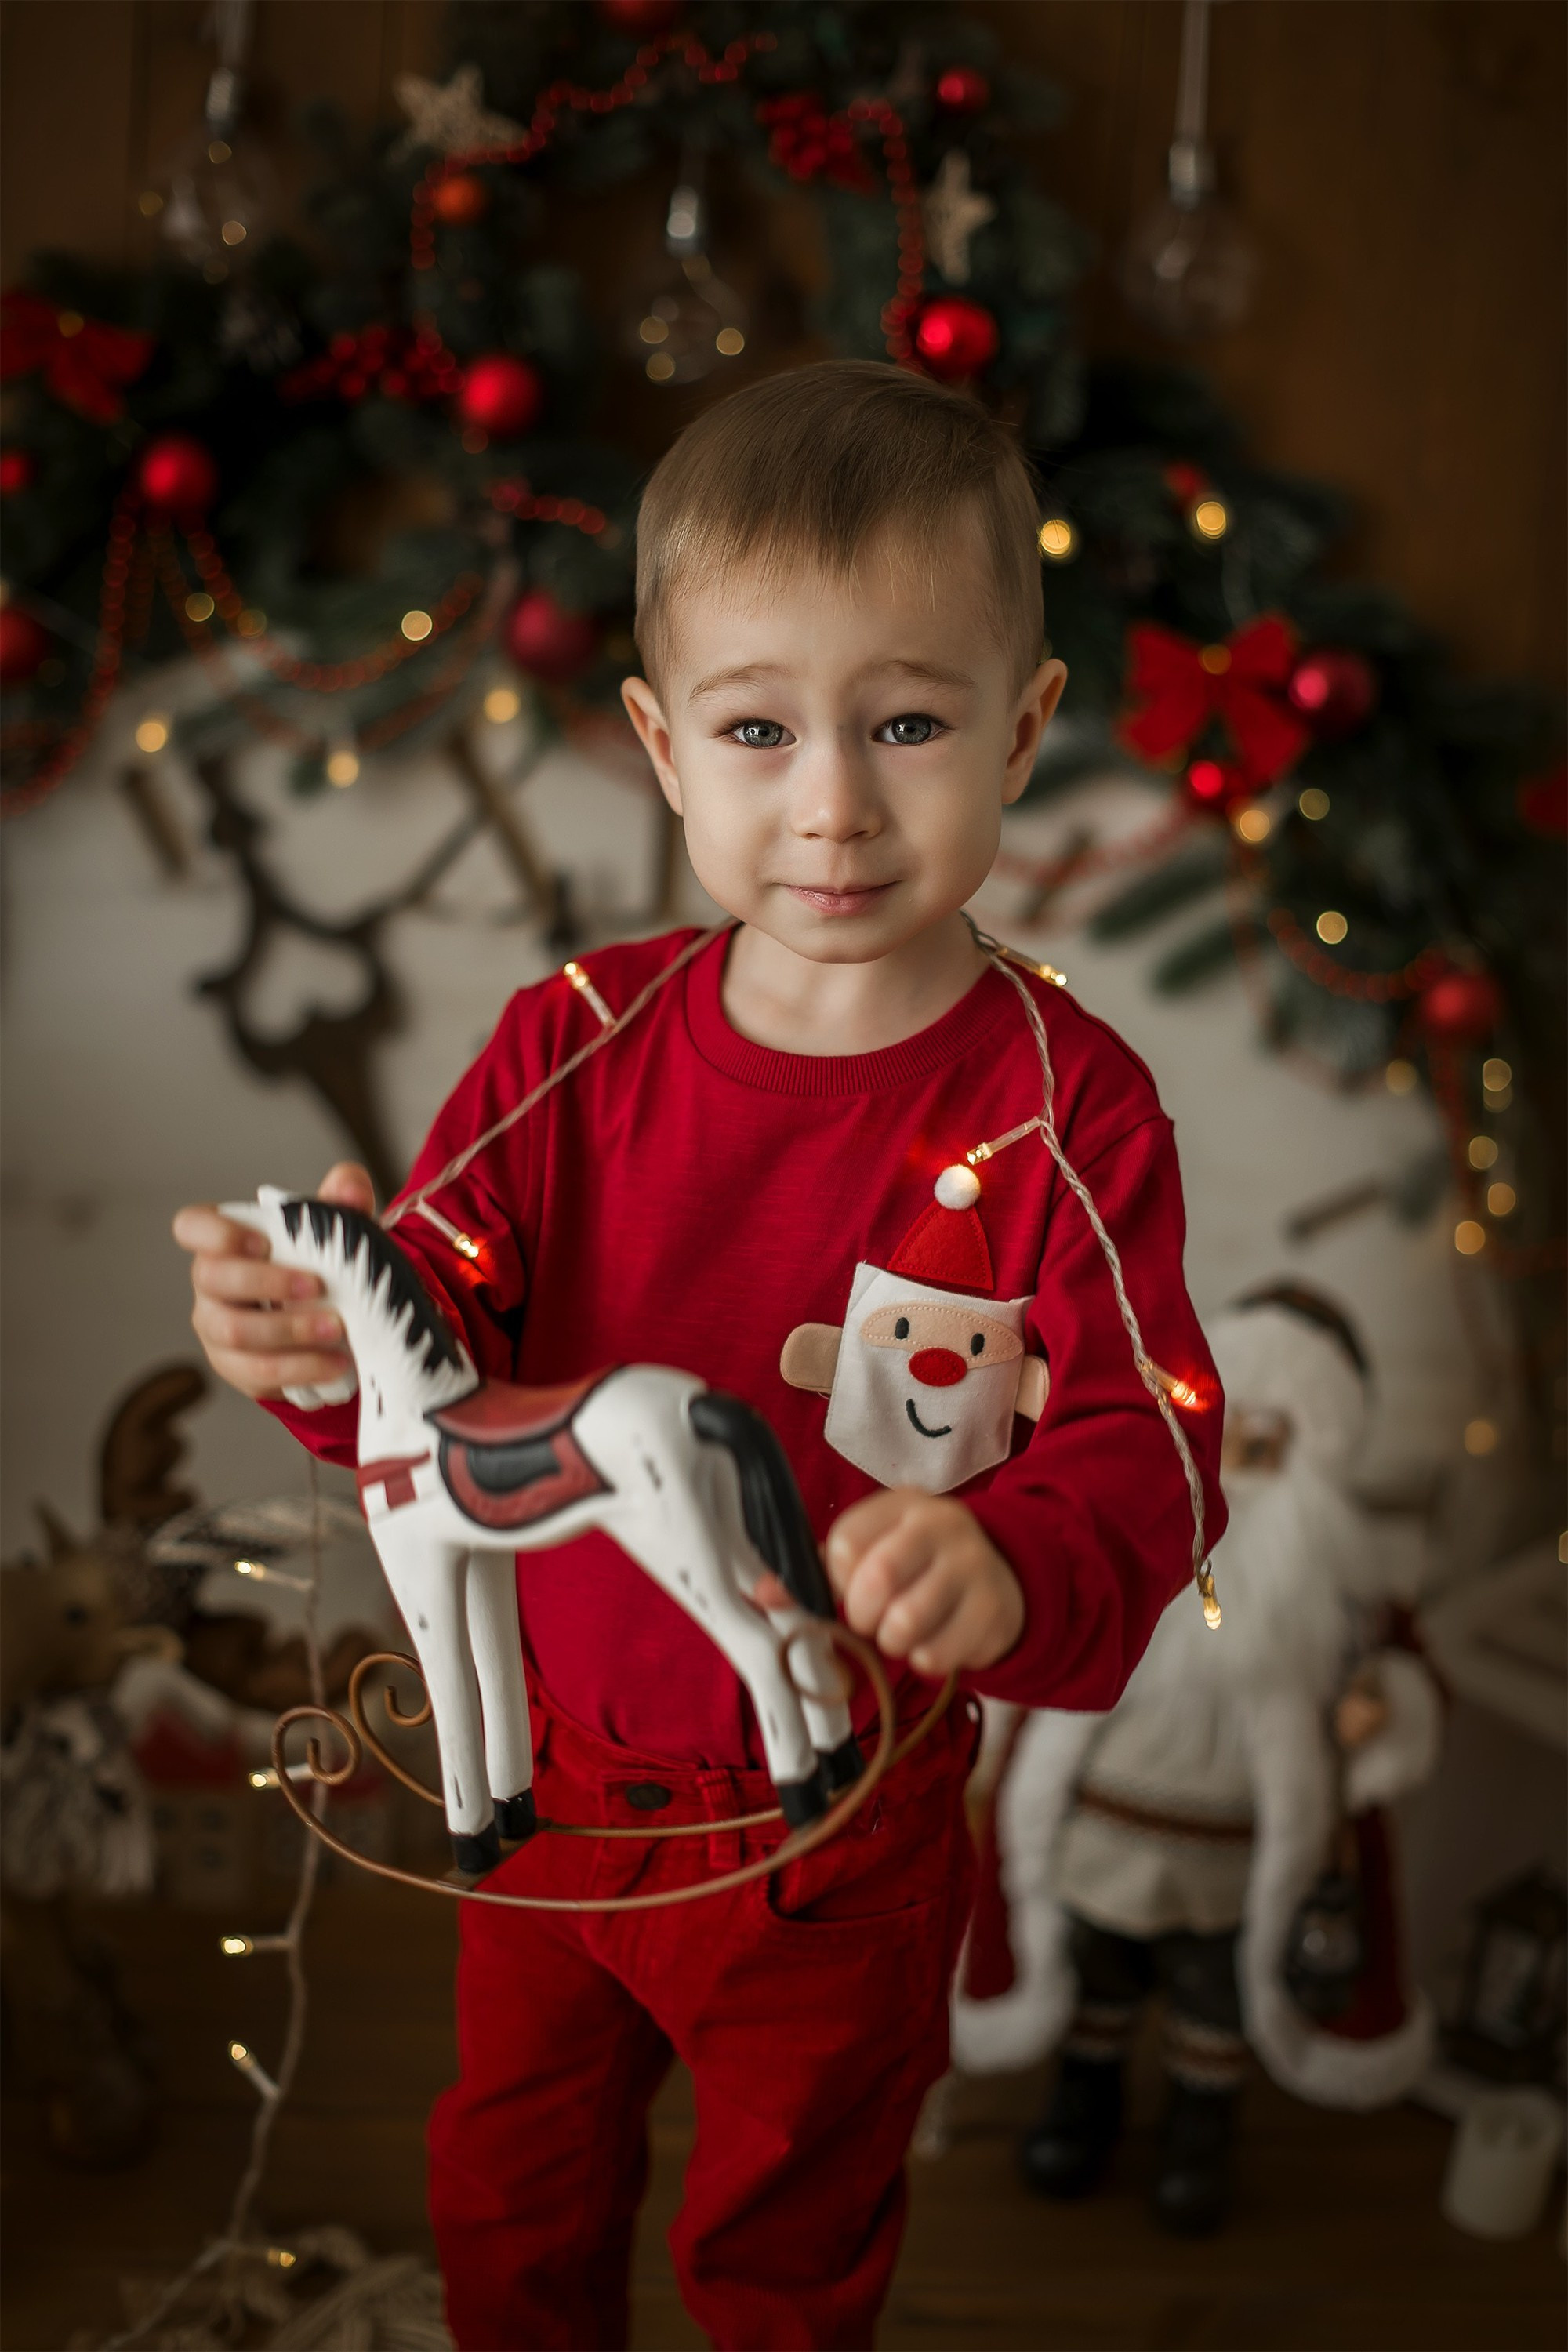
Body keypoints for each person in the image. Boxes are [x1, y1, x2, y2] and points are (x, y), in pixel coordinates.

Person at [172, 361, 1225, 2352]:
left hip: (829, 1836)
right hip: (555, 1787)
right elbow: (432, 1357)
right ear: (664, 747)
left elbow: (1148, 1444)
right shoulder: (568, 1040)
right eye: (759, 728)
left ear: (1020, 732)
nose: (829, 800)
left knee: (785, 2231)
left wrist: (1006, 1554)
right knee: (508, 2176)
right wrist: (307, 1345)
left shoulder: (1060, 1108)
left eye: (906, 722)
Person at [952, 1286, 1441, 2238]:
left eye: (1275, 1435)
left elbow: (1406, 1674)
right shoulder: (1133, 1520)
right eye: (1238, 1429)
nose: (1251, 1458)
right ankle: (1081, 2103)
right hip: (1099, 1829)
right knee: (1092, 1975)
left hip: (1238, 1850)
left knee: (1210, 1998)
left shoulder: (1344, 1579)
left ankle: (1197, 2130)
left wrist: (1381, 1707)